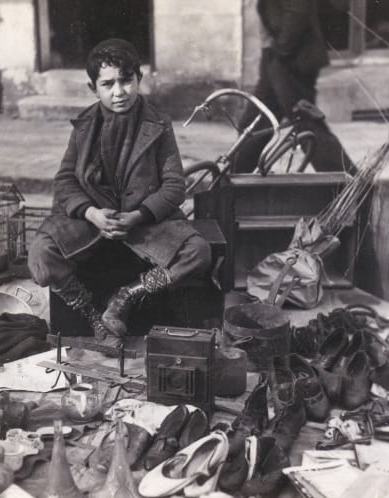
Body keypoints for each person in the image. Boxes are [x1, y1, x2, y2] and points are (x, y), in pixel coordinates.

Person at [28, 38, 212, 350]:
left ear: (139, 80)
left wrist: (139, 215)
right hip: (92, 222)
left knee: (200, 252)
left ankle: (127, 295)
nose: (118, 92)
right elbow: (65, 181)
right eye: (108, 84)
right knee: (40, 255)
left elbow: (174, 185)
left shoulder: (158, 125)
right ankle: (94, 317)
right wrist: (91, 213)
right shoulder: (85, 126)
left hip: (145, 224)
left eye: (126, 81)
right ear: (93, 88)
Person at [233, 0, 357, 175]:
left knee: (308, 126)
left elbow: (298, 11)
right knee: (254, 123)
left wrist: (281, 50)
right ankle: (230, 183)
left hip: (292, 61)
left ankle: (351, 184)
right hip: (276, 58)